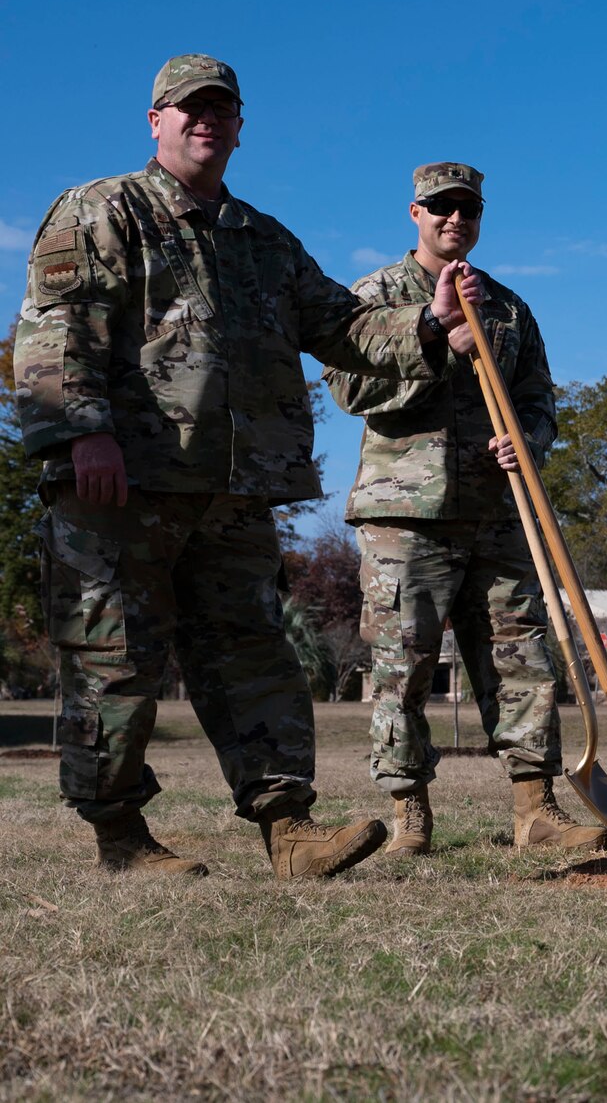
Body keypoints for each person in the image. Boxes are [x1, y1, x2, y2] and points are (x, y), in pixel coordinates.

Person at [14, 54, 483, 879]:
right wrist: (81, 433)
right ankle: (120, 835)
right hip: (122, 486)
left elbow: (345, 326)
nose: (206, 119)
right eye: (188, 107)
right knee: (113, 660)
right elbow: (59, 328)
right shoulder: (102, 209)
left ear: (240, 126)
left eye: (221, 108)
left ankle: (288, 830)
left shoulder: (263, 240)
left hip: (234, 494)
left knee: (254, 656)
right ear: (155, 121)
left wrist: (426, 320)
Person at [325, 162, 606, 855]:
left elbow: (540, 398)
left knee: (522, 656)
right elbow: (348, 389)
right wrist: (432, 342)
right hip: (404, 515)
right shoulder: (376, 296)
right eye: (440, 207)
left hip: (496, 509)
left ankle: (535, 809)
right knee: (403, 664)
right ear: (414, 213)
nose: (455, 220)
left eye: (468, 210)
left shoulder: (508, 308)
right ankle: (410, 812)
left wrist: (529, 439)